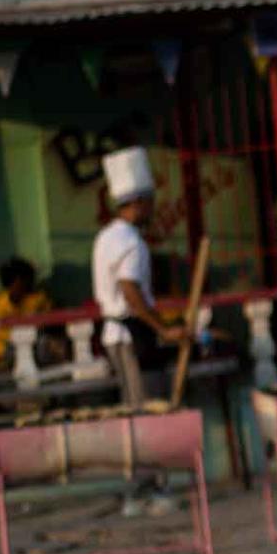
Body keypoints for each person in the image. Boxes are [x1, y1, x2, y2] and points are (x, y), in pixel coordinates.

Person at [94, 147, 185, 515]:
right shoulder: (130, 242)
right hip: (132, 336)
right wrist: (163, 329)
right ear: (140, 202)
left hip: (120, 336)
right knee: (146, 413)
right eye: (150, 201)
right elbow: (131, 292)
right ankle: (146, 490)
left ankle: (144, 487)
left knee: (137, 412)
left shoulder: (107, 237)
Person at [0, 256, 54, 367]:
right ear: (10, 283)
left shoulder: (37, 298)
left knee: (45, 343)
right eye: (20, 281)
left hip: (32, 342)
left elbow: (50, 314)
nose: (26, 284)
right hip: (5, 347)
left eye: (28, 280)